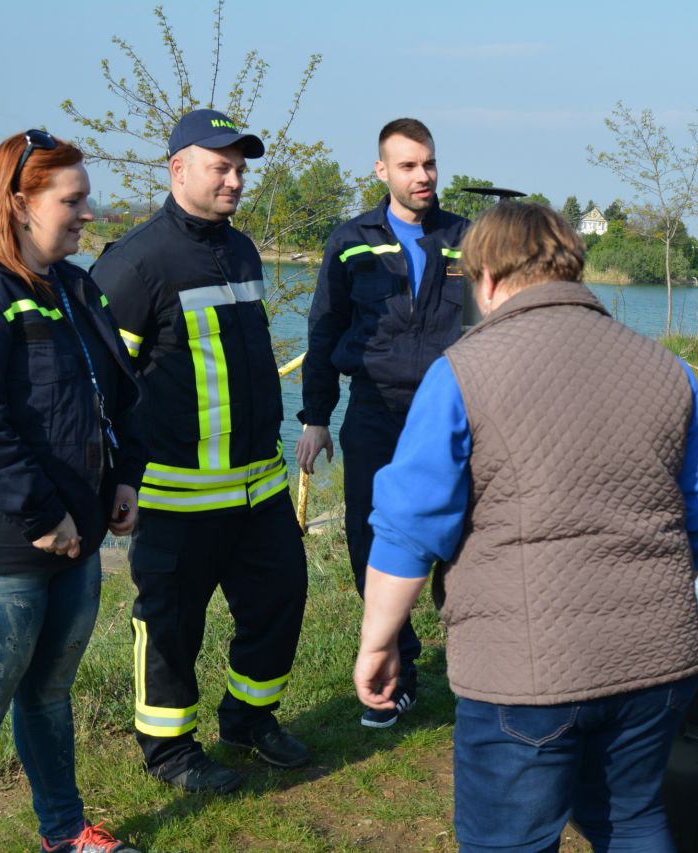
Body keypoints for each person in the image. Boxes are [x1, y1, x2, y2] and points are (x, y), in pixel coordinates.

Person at [354, 202, 698, 851]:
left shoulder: (462, 371)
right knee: (632, 819)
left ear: (488, 279)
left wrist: (377, 641)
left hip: (525, 673)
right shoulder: (667, 368)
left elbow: (409, 526)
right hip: (658, 660)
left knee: (511, 841)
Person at [0, 131, 145, 852]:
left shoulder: (76, 288)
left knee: (50, 696)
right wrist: (42, 513)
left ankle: (64, 832)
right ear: (20, 204)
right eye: (73, 201)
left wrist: (125, 475)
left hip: (75, 540)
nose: (89, 214)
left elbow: (120, 394)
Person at [92, 109, 309, 794]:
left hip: (261, 486)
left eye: (241, 168)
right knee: (171, 627)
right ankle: (169, 751)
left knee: (280, 600)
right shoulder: (133, 263)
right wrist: (113, 481)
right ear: (178, 168)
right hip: (176, 495)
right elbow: (101, 386)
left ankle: (248, 718)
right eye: (221, 166)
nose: (235, 179)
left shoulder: (242, 250)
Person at [297, 117, 470, 728]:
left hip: (451, 412)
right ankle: (396, 673)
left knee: (466, 540)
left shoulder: (466, 238)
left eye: (429, 163)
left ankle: (480, 667)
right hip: (373, 410)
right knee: (368, 540)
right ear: (381, 171)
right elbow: (323, 329)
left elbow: (494, 328)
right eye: (408, 165)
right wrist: (316, 417)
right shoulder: (351, 241)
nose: (423, 176)